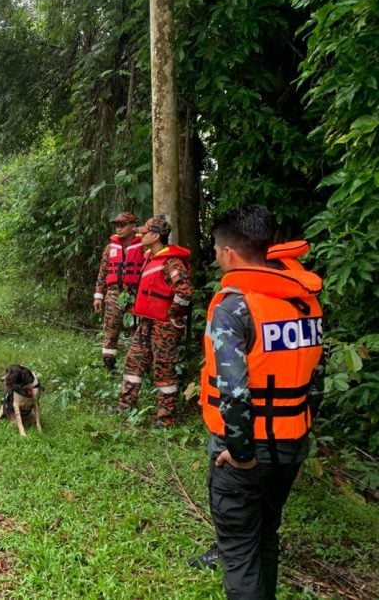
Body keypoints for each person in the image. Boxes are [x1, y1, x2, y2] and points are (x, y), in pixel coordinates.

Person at [200, 206, 324, 599]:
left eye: (218, 251)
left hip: (245, 454)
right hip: (291, 445)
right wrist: (297, 433)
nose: (218, 258)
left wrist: (240, 453)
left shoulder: (233, 307)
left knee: (238, 552)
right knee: (266, 537)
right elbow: (315, 380)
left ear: (231, 255)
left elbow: (234, 392)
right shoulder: (304, 303)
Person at [113, 215, 191, 427]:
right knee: (133, 361)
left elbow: (184, 292)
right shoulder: (150, 257)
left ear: (155, 236)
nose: (140, 234)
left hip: (164, 326)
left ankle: (166, 419)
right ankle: (125, 406)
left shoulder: (171, 262)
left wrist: (173, 314)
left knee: (163, 369)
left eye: (144, 231)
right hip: (147, 323)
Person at [93, 211, 144, 372]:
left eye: (122, 225)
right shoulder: (110, 248)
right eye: (117, 225)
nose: (118, 228)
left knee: (138, 330)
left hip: (135, 294)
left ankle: (139, 366)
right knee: (110, 330)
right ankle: (109, 366)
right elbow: (103, 273)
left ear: (132, 226)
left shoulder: (143, 246)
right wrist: (98, 296)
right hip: (114, 293)